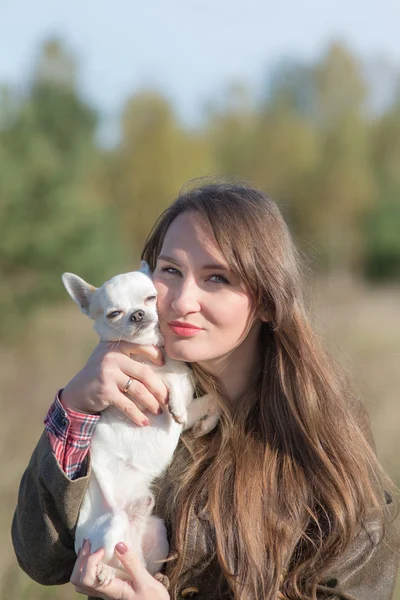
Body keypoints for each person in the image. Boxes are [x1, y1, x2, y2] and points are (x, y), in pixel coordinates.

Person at [12, 181, 400, 600]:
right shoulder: (127, 399)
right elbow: (43, 559)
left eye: (216, 277)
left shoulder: (321, 424)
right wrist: (74, 406)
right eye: (171, 271)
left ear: (268, 301)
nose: (181, 301)